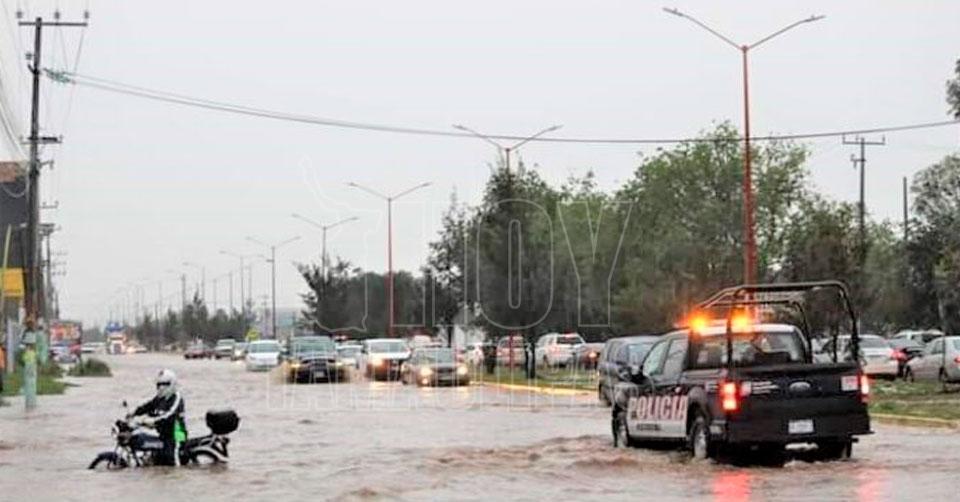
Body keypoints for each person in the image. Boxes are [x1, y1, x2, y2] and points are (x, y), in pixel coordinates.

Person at [130, 369, 187, 466]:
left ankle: (177, 472)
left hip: (177, 435)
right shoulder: (160, 398)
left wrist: (152, 421)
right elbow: (148, 406)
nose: (160, 387)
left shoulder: (176, 397)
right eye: (158, 384)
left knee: (172, 461)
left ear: (171, 383)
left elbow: (169, 415)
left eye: (163, 384)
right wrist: (134, 412)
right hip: (163, 435)